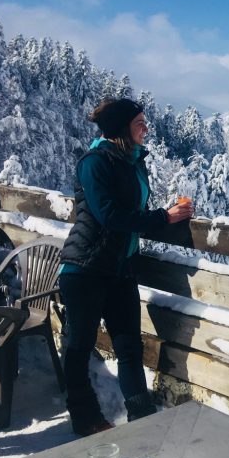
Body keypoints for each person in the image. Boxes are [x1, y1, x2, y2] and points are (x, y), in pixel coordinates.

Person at [58, 98, 195, 436]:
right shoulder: (95, 162)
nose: (146, 128)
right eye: (139, 123)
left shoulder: (132, 161)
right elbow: (110, 215)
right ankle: (85, 417)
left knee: (130, 347)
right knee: (78, 347)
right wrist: (164, 217)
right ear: (122, 129)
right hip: (86, 270)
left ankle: (141, 415)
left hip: (120, 271)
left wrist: (169, 217)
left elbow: (133, 214)